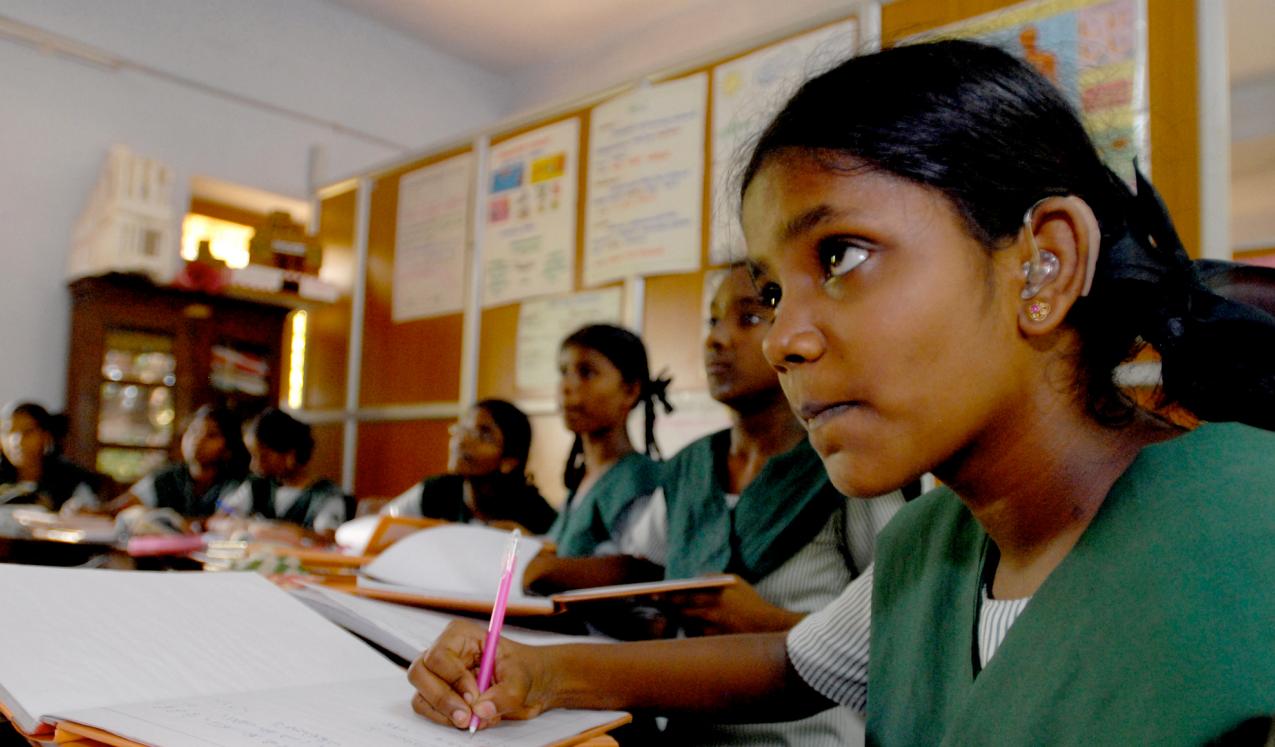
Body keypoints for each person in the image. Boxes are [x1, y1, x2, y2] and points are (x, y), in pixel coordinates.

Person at [407, 40, 1275, 745]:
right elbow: (793, 665)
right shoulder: (931, 543)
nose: (783, 338)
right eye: (773, 292)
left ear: (1041, 264)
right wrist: (542, 670)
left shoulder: (1248, 528)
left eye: (841, 255)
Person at [525, 264, 903, 745]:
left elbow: (902, 638)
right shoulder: (689, 470)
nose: (716, 340)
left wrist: (769, 624)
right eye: (711, 322)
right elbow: (642, 565)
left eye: (747, 318)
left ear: (799, 335)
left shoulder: (849, 467)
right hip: (683, 730)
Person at [547, 323, 672, 558]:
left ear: (630, 391)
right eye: (564, 372)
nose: (567, 386)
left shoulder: (641, 481)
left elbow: (633, 570)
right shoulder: (582, 478)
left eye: (587, 373)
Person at [380, 399, 557, 535]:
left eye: (483, 435)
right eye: (463, 429)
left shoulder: (536, 515)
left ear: (509, 462)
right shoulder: (436, 491)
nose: (462, 441)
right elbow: (383, 524)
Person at [102, 405, 248, 523]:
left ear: (229, 447)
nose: (198, 440)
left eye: (211, 435)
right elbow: (120, 507)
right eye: (194, 431)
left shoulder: (236, 483)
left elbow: (221, 520)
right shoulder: (167, 477)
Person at [218, 408, 348, 540]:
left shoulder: (326, 495)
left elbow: (326, 538)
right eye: (252, 456)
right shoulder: (257, 486)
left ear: (290, 455)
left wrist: (270, 530)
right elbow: (223, 513)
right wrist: (236, 522)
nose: (253, 465)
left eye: (263, 457)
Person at [0, 401, 100, 511]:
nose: (16, 441)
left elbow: (90, 511)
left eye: (28, 432)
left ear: (46, 436)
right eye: (8, 432)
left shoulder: (70, 479)